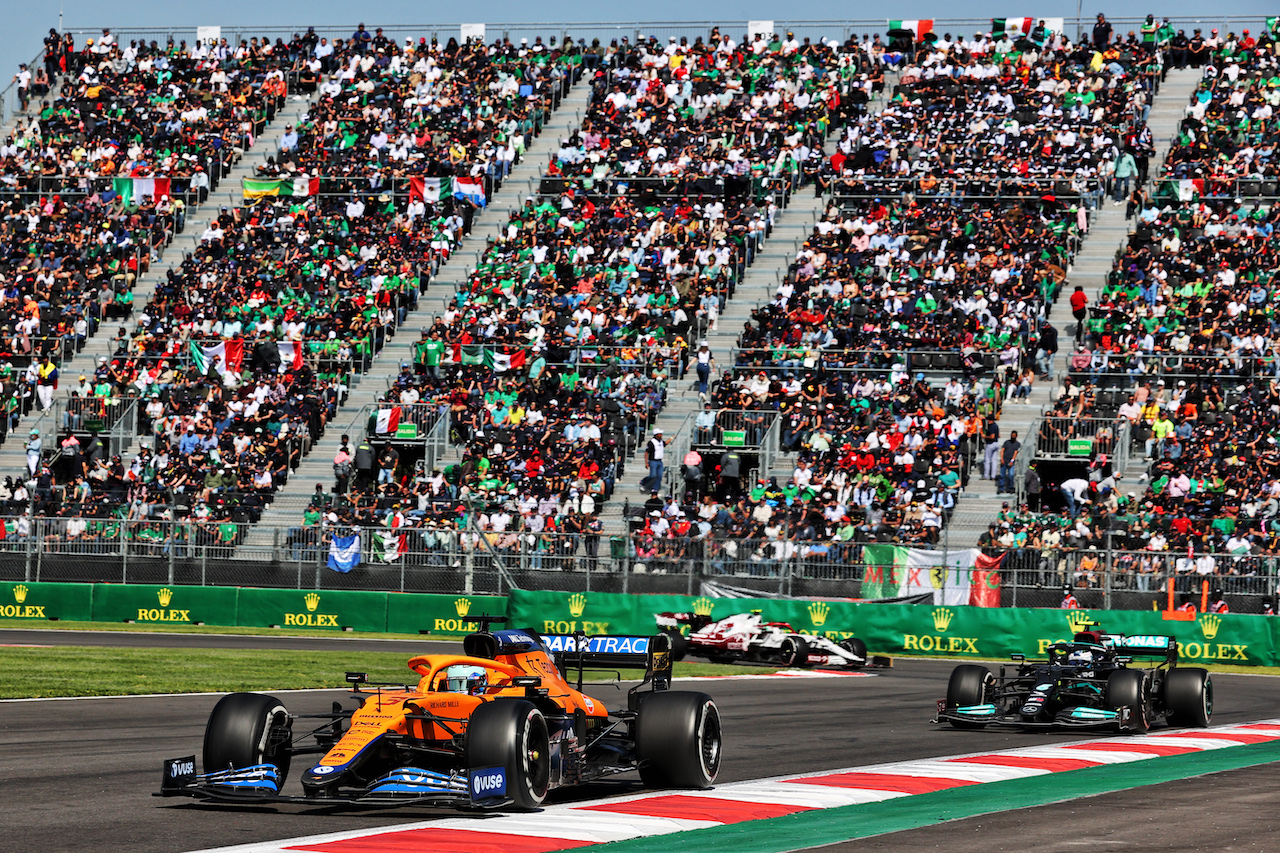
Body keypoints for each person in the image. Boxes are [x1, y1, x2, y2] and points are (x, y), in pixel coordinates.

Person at [642, 427, 671, 493]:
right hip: (653, 461)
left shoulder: (661, 441)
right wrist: (646, 462)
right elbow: (646, 452)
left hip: (660, 461)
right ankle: (643, 482)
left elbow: (665, 443)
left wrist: (671, 438)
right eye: (660, 434)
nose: (661, 435)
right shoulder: (651, 442)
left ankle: (655, 488)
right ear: (656, 435)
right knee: (653, 475)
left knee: (660, 476)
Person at [998, 430, 1020, 495]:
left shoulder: (1017, 444)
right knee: (1002, 475)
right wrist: (1001, 459)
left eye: (1014, 435)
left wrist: (1012, 461)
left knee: (1011, 475)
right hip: (1004, 460)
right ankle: (1001, 488)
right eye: (1012, 435)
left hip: (1011, 462)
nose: (1012, 437)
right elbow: (1002, 450)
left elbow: (1015, 452)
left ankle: (1010, 488)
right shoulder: (1007, 442)